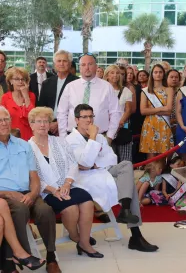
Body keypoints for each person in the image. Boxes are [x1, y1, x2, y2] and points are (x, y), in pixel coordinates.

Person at [66, 104, 158, 252]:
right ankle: (135, 234)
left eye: (91, 116)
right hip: (86, 179)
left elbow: (112, 158)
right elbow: (85, 163)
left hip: (104, 170)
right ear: (76, 120)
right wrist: (93, 138)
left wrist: (95, 163)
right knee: (129, 186)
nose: (89, 120)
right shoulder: (70, 140)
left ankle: (126, 210)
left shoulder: (100, 137)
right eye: (85, 117)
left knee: (126, 164)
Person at [28, 107, 102, 259]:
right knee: (71, 209)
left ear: (50, 124)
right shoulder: (27, 148)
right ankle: (77, 238)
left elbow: (73, 164)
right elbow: (30, 177)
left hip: (68, 185)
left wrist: (67, 184)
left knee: (87, 201)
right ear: (31, 125)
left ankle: (85, 243)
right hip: (46, 192)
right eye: (39, 122)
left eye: (46, 121)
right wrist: (54, 190)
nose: (43, 125)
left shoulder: (60, 142)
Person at [0, 106, 62, 273]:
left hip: (27, 192)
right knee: (20, 210)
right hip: (4, 196)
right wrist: (6, 194)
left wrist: (33, 193)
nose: (4, 123)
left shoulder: (23, 145)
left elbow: (34, 176)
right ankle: (22, 255)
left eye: (6, 119)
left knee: (45, 210)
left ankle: (51, 257)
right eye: (0, 120)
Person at [57, 53, 122, 145]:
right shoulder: (70, 87)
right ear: (80, 67)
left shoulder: (107, 87)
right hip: (73, 138)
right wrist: (63, 137)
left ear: (96, 66)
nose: (87, 67)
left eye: (90, 64)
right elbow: (62, 113)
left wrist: (110, 136)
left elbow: (115, 112)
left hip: (100, 138)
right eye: (83, 65)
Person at [38, 50, 79, 136]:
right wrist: (49, 124)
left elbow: (77, 108)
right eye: (59, 61)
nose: (61, 63)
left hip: (69, 129)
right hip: (48, 127)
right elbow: (41, 107)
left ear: (70, 63)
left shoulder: (77, 82)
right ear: (54, 64)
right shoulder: (46, 83)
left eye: (65, 61)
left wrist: (58, 124)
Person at [139, 64, 174, 162]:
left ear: (163, 74)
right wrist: (162, 108)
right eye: (155, 72)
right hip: (150, 125)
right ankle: (150, 175)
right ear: (152, 74)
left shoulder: (169, 90)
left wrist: (152, 111)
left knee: (163, 154)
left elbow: (169, 110)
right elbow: (143, 111)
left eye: (160, 72)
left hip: (164, 124)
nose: (158, 74)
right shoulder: (146, 91)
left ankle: (160, 175)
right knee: (150, 154)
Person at [104, 65, 133, 162]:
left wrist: (120, 122)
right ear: (107, 75)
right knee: (109, 159)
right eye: (112, 73)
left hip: (122, 128)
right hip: (106, 129)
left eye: (117, 73)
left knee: (125, 159)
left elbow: (128, 109)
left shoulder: (126, 91)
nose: (115, 75)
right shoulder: (102, 91)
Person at [1, 67, 36, 140]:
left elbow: (32, 117)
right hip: (11, 137)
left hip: (29, 136)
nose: (20, 82)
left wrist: (26, 96)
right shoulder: (5, 97)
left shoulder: (31, 96)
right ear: (11, 81)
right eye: (17, 79)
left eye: (23, 79)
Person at [166, 69, 181, 138]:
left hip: (180, 126)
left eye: (176, 77)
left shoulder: (182, 92)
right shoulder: (163, 92)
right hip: (165, 125)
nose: (174, 79)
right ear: (166, 78)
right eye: (171, 77)